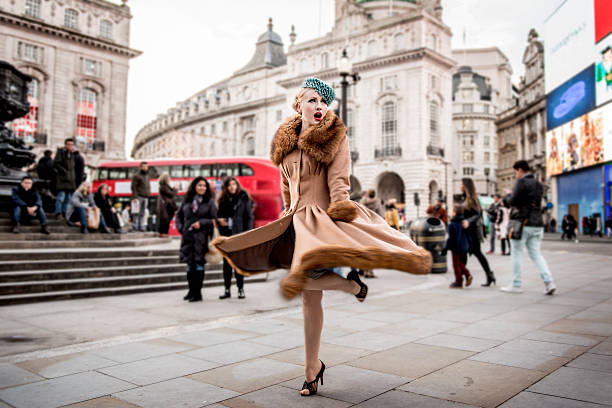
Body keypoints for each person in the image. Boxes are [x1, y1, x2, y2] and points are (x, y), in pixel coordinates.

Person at [212, 77, 431, 397]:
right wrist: (286, 218)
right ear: (298, 104)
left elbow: (340, 179)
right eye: (313, 100)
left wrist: (341, 210)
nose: (319, 107)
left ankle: (352, 285)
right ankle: (312, 366)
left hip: (324, 217)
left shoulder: (333, 136)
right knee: (308, 298)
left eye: (324, 102)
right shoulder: (283, 142)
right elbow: (285, 186)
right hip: (296, 220)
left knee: (304, 282)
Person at [502, 160, 556, 295]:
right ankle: (549, 282)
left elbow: (513, 201)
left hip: (522, 223)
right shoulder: (538, 183)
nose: (516, 175)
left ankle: (516, 284)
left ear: (520, 170)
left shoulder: (521, 182)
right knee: (536, 254)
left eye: (515, 172)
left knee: (516, 253)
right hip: (537, 223)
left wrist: (508, 195)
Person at [176, 177, 217, 302]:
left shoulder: (209, 202)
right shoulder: (186, 201)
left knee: (199, 265)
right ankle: (191, 290)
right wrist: (181, 228)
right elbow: (179, 216)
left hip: (201, 238)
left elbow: (215, 221)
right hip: (188, 237)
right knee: (189, 265)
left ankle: (197, 293)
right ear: (194, 186)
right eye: (200, 185)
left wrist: (202, 223)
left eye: (204, 186)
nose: (202, 188)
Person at [217, 177, 255, 299]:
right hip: (226, 235)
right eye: (229, 185)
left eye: (234, 184)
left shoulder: (244, 198)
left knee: (238, 264)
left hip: (239, 235)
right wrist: (219, 222)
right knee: (226, 264)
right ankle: (227, 290)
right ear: (226, 187)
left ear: (237, 185)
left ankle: (240, 289)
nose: (232, 187)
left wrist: (247, 234)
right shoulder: (222, 200)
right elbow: (218, 217)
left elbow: (249, 217)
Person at [461, 178, 495, 287]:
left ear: (466, 186)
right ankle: (464, 277)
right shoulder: (465, 198)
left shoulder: (472, 199)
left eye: (462, 184)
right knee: (463, 254)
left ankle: (489, 275)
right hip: (466, 232)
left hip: (472, 232)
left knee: (477, 254)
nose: (460, 186)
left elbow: (477, 214)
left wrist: (467, 221)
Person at [442, 204, 471, 288]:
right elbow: (468, 235)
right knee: (460, 263)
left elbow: (451, 238)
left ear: (454, 212)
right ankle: (465, 276)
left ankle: (459, 281)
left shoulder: (452, 224)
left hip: (455, 247)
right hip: (464, 246)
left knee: (456, 264)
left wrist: (446, 248)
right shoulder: (464, 222)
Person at [53, 138, 76, 219]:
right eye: (68, 144)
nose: (70, 146)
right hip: (62, 179)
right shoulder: (61, 152)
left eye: (71, 144)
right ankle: (58, 212)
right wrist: (64, 171)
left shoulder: (73, 154)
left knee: (68, 198)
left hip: (70, 180)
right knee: (61, 197)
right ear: (65, 145)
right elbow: (56, 163)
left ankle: (64, 212)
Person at [131, 162, 150, 232]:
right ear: (140, 167)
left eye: (146, 167)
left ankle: (141, 227)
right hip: (138, 197)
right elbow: (133, 187)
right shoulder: (136, 176)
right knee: (136, 213)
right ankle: (135, 227)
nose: (145, 168)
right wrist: (135, 197)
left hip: (145, 197)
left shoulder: (147, 176)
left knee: (142, 213)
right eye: (144, 167)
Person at [157, 173, 177, 237]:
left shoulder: (166, 187)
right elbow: (171, 194)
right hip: (165, 207)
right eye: (168, 178)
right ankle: (163, 233)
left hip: (167, 206)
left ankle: (165, 233)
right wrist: (175, 189)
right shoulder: (163, 187)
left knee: (167, 220)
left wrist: (174, 188)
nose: (170, 180)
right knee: (165, 220)